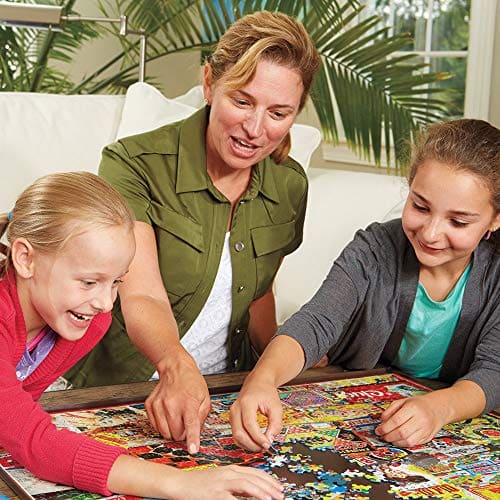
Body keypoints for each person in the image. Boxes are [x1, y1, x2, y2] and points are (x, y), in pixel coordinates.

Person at [65, 10, 321, 455]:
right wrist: (177, 367)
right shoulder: (131, 164)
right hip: (124, 388)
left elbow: (259, 292)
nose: (255, 129)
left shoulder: (290, 184)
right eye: (242, 101)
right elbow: (141, 293)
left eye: (278, 113)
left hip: (228, 390)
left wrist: (281, 365)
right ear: (208, 83)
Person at [0, 172, 284, 500]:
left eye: (116, 282)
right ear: (26, 259)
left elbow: (16, 416)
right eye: (89, 282)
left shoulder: (89, 322)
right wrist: (183, 483)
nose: (105, 303)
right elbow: (38, 443)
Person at [229, 119, 500, 451]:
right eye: (420, 206)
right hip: (366, 414)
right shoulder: (375, 248)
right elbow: (316, 321)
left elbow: (494, 370)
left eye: (457, 221)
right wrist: (262, 379)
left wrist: (439, 408)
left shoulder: (494, 276)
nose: (431, 234)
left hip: (455, 424)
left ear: (495, 218)